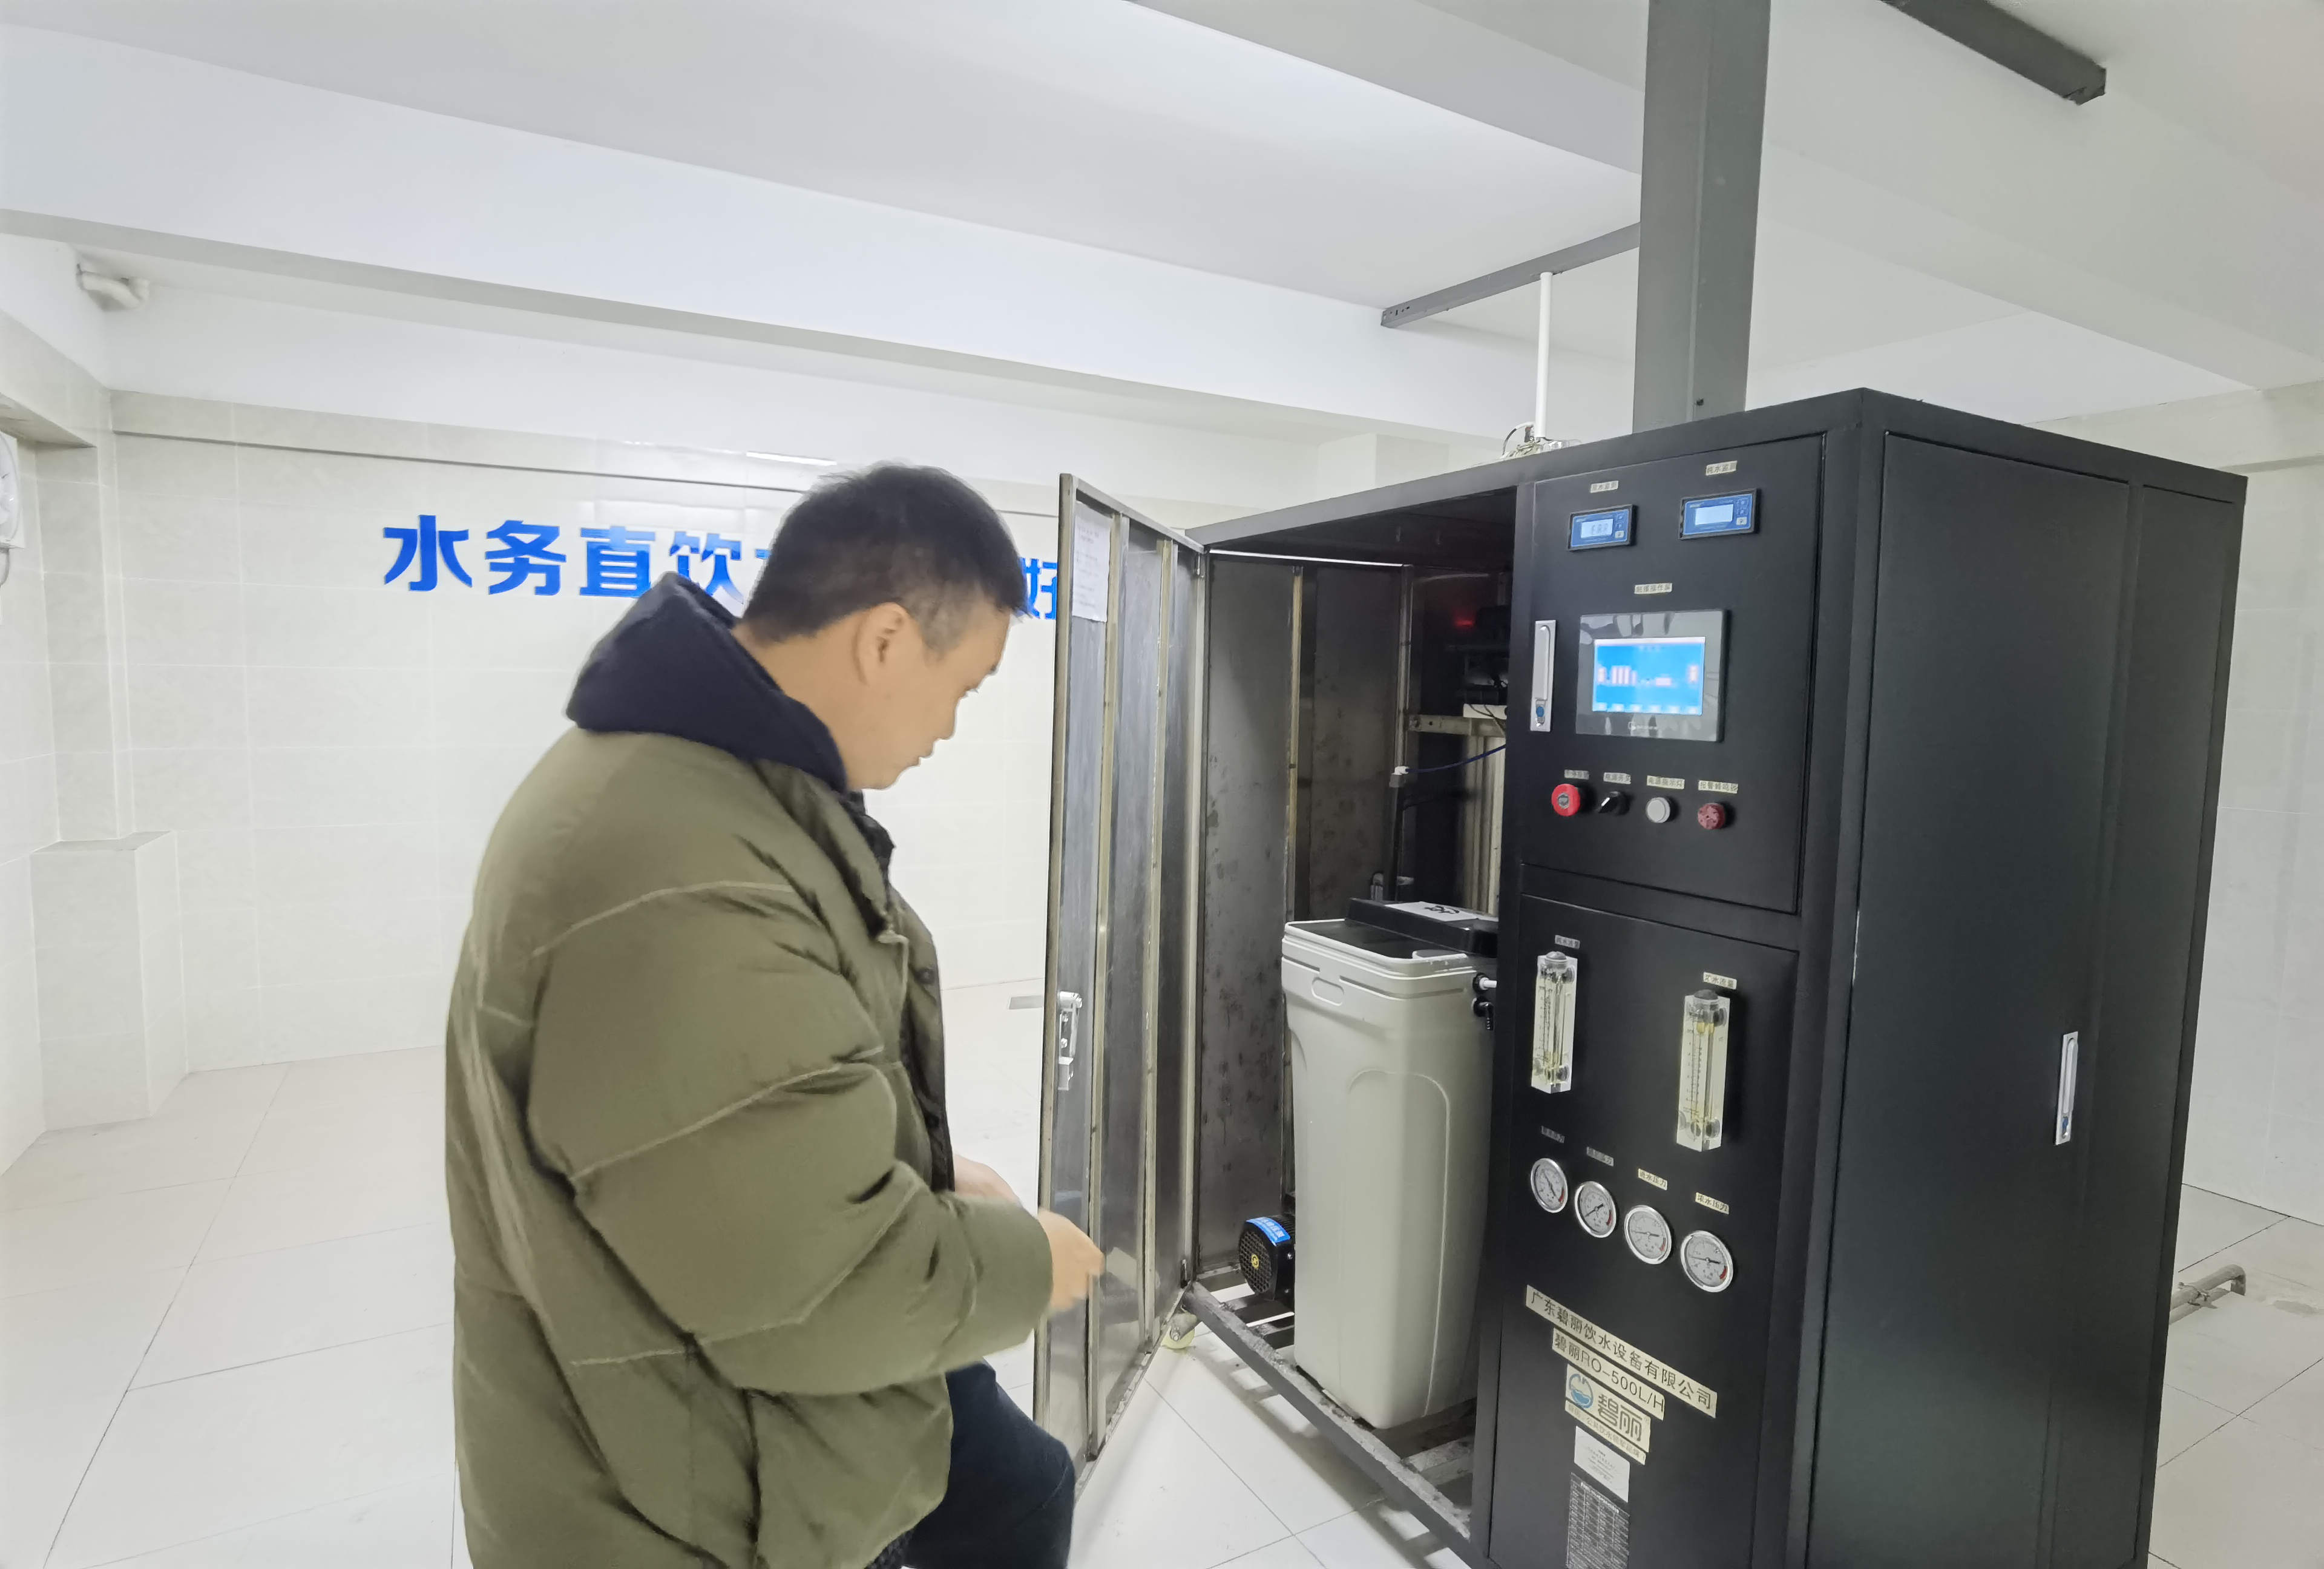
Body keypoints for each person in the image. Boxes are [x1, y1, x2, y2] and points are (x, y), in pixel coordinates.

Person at [444, 463, 1105, 1569]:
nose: (952, 728)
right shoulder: (678, 870)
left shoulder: (715, 784)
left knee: (1019, 1486)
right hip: (689, 1482)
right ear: (886, 639)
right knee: (1012, 1496)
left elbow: (738, 1104)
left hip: (724, 1380)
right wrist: (1033, 1263)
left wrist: (926, 1168)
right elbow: (816, 1292)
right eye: (964, 686)